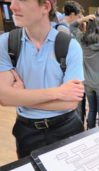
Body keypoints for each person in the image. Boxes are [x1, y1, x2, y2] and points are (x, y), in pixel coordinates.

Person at [0, 0, 84, 158]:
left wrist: (20, 97)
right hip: (26, 131)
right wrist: (58, 92)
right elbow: (4, 98)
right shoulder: (6, 43)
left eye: (22, 0)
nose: (12, 6)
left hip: (67, 127)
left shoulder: (69, 46)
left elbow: (71, 102)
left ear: (45, 6)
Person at [70, 15, 99, 129]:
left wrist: (83, 19)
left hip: (88, 83)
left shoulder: (82, 39)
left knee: (92, 110)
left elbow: (72, 26)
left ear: (87, 26)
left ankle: (90, 132)